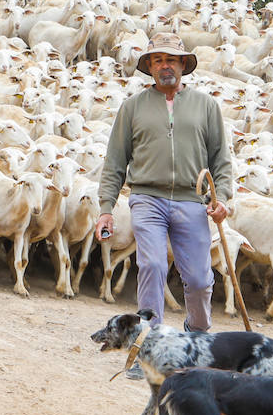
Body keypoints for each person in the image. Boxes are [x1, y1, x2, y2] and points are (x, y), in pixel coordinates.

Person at [96, 32, 233, 371]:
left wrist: (224, 199)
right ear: (150, 67)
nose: (164, 66)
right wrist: (106, 209)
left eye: (171, 59)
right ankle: (149, 349)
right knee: (153, 266)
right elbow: (115, 161)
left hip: (191, 201)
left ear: (183, 64)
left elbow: (221, 160)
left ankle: (197, 338)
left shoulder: (206, 106)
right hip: (147, 198)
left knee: (200, 280)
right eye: (157, 60)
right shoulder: (133, 107)